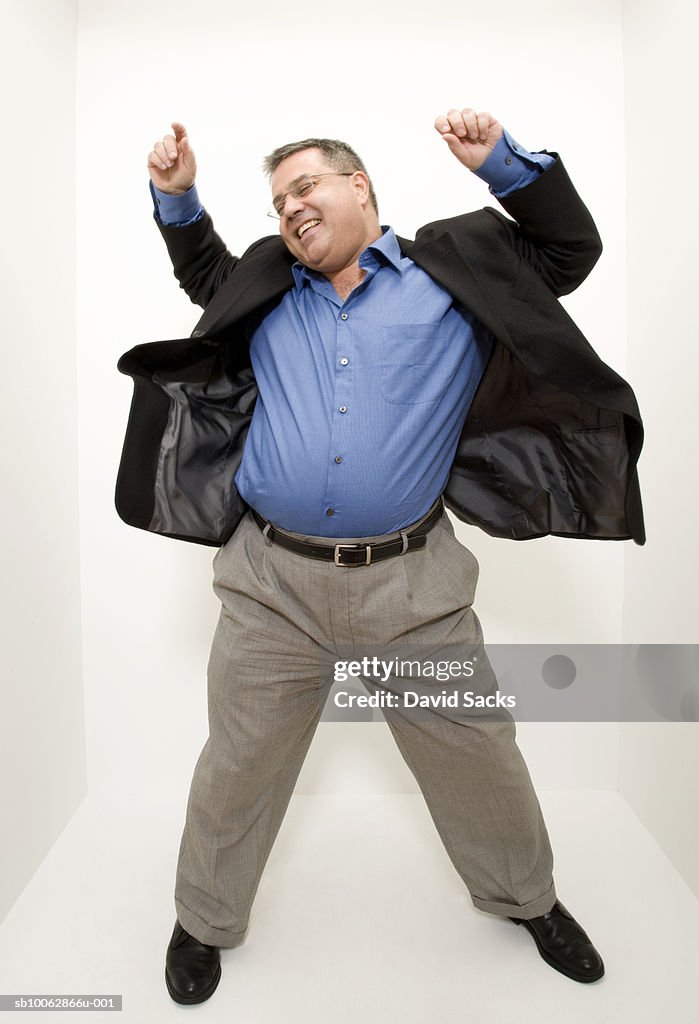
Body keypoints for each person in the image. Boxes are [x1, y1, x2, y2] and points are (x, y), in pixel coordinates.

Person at [118, 108, 644, 1005]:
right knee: (237, 763)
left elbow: (567, 253)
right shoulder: (269, 283)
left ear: (358, 187)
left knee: (478, 756)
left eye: (305, 187)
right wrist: (176, 198)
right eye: (279, 200)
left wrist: (504, 165)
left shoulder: (455, 273)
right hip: (270, 586)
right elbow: (204, 274)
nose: (289, 209)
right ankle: (204, 920)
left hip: (414, 589)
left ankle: (527, 899)